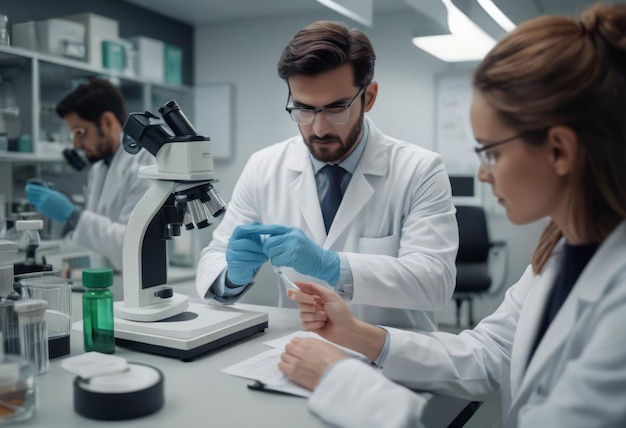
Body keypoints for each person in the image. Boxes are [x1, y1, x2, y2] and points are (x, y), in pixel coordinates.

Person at [278, 4, 626, 427]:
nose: (482, 172)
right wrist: (354, 334)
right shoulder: (559, 253)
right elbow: (489, 353)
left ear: (559, 150)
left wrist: (340, 381)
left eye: (492, 152)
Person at [196, 21, 458, 331]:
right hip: (301, 354)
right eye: (303, 109)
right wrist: (232, 276)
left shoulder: (420, 170)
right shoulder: (264, 167)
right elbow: (215, 258)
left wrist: (333, 266)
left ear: (369, 97)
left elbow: (435, 282)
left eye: (336, 109)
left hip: (392, 358)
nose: (319, 129)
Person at [25, 77, 154, 271]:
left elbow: (132, 244)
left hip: (138, 286)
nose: (76, 144)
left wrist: (74, 217)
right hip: (104, 285)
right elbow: (94, 238)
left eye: (80, 132)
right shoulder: (99, 169)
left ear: (107, 122)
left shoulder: (146, 166)